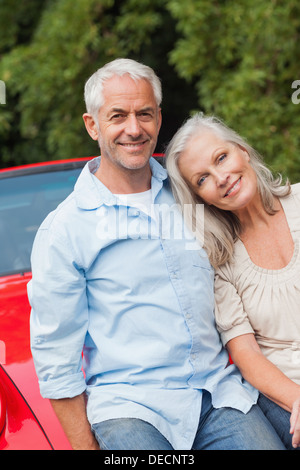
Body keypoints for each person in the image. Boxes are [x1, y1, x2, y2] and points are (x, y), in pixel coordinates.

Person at [28, 59, 285, 451]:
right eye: (118, 116)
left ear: (159, 119)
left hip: (218, 395)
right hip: (131, 407)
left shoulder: (193, 194)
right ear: (92, 124)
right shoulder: (65, 230)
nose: (134, 128)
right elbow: (56, 358)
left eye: (144, 114)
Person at [165, 112, 300, 450]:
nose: (221, 177)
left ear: (242, 150)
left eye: (221, 158)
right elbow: (247, 354)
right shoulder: (219, 260)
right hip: (285, 390)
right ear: (200, 199)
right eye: (203, 179)